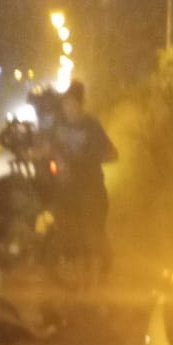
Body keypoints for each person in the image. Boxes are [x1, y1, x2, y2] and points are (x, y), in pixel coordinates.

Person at [54, 80, 118, 287]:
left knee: (92, 236)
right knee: (71, 236)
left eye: (71, 104)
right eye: (65, 104)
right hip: (68, 192)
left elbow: (112, 153)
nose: (67, 108)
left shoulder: (92, 126)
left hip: (91, 190)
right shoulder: (59, 125)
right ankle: (79, 283)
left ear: (80, 104)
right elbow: (51, 148)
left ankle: (94, 286)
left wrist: (88, 158)